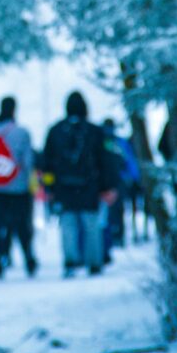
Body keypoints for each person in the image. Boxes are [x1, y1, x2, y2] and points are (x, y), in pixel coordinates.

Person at [42, 91, 117, 277]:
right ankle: (94, 262)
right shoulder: (94, 131)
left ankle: (71, 261)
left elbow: (46, 163)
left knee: (68, 225)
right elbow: (105, 161)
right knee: (91, 225)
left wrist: (49, 188)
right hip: (89, 187)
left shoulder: (56, 131)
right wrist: (107, 187)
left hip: (63, 188)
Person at [0, 96, 38, 279]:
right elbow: (28, 161)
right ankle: (28, 258)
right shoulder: (22, 132)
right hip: (18, 189)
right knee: (22, 225)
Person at [102, 118, 140, 249]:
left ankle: (117, 236)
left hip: (118, 180)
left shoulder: (119, 142)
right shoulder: (113, 142)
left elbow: (130, 160)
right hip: (116, 180)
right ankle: (113, 236)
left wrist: (134, 177)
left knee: (116, 209)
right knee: (113, 209)